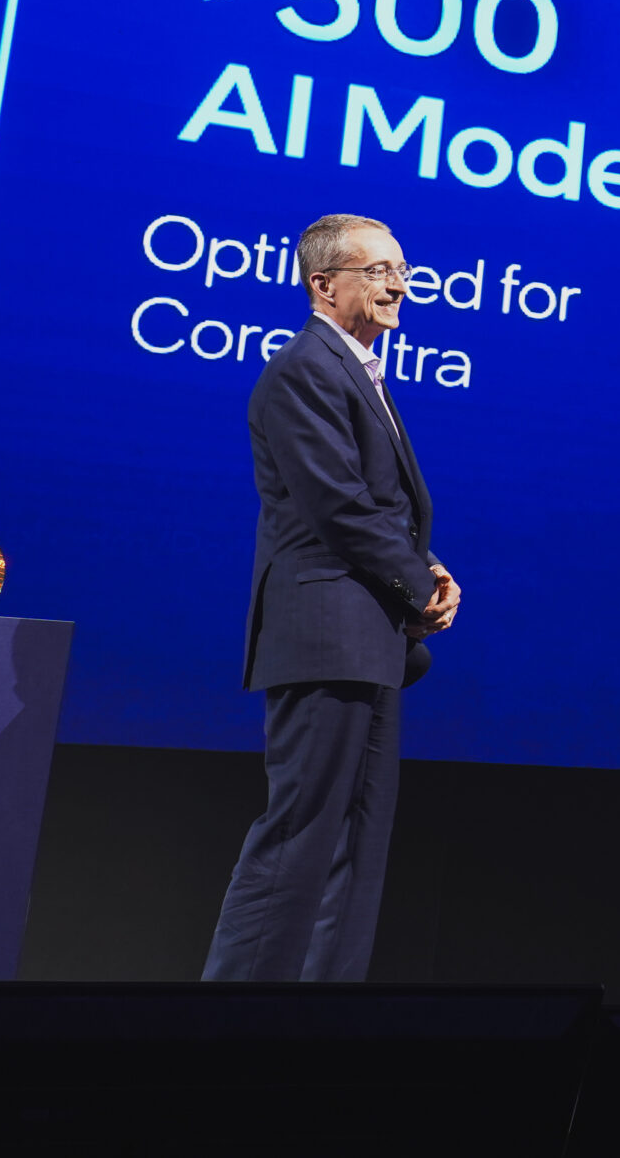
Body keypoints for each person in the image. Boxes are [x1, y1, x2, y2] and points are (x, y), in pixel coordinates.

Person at [203, 213, 461, 981]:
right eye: (377, 270)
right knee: (302, 835)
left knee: (358, 845)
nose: (396, 285)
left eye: (402, 269)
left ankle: (320, 1018)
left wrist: (429, 567)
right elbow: (336, 506)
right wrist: (418, 585)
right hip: (326, 631)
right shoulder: (303, 368)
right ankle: (225, 1025)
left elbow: (374, 503)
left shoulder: (358, 368)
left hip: (371, 635)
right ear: (324, 284)